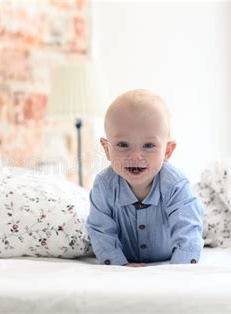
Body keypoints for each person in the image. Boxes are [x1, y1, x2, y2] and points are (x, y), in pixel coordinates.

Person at [86, 89, 204, 267]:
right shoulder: (104, 186)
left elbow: (188, 230)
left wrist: (181, 270)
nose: (135, 156)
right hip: (124, 257)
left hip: (170, 255)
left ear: (167, 151)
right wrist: (119, 265)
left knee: (195, 216)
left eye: (148, 145)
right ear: (106, 149)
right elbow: (100, 230)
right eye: (123, 145)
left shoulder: (175, 185)